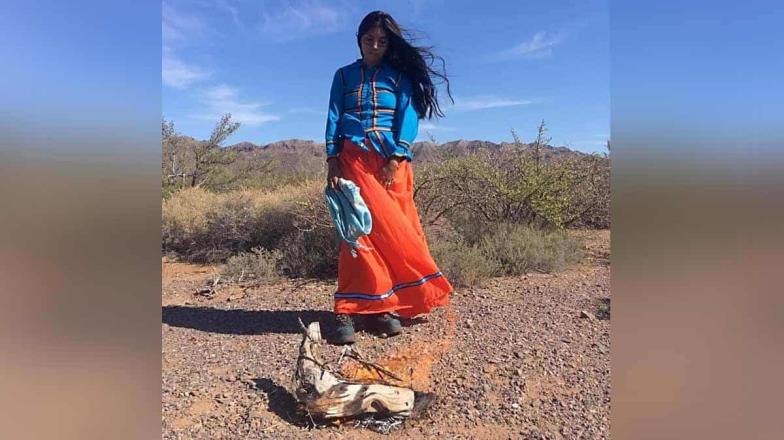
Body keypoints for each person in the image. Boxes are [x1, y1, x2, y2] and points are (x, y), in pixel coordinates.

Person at [324, 11, 454, 345]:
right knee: (356, 233)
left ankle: (384, 306)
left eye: (382, 41)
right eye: (369, 40)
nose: (375, 45)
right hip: (352, 159)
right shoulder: (343, 75)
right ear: (359, 40)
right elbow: (334, 116)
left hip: (390, 164)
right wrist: (332, 159)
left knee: (396, 233)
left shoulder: (399, 78)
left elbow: (408, 118)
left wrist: (397, 156)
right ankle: (348, 307)